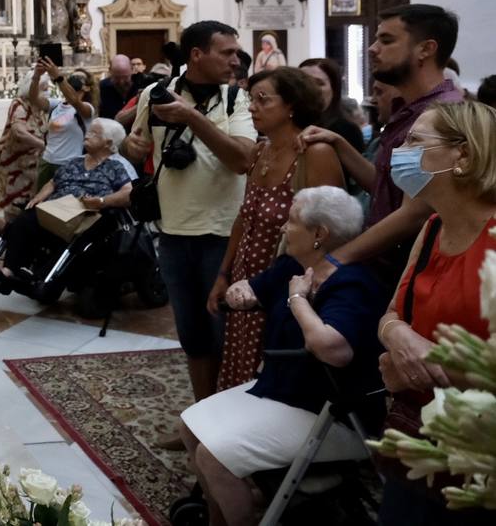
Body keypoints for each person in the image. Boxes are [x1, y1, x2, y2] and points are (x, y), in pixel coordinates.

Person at [180, 187, 388, 526]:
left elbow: (333, 350)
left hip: (334, 412)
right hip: (284, 391)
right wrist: (240, 291)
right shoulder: (294, 264)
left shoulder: (353, 282)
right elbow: (251, 290)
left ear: (319, 233)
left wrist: (298, 300)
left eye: (291, 221)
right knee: (190, 426)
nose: (282, 227)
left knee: (213, 456)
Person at [124, 21, 256, 439]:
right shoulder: (155, 94)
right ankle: (203, 426)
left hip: (223, 234)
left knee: (226, 336)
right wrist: (132, 147)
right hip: (173, 231)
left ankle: (231, 430)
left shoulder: (237, 98)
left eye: (236, 53)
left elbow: (243, 160)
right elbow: (135, 143)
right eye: (226, 52)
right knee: (194, 337)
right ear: (197, 54)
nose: (235, 60)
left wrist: (191, 118)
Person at [373, 101, 496, 525]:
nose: (398, 153)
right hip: (420, 437)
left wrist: (425, 366)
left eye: (414, 141)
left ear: (463, 155)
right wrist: (398, 337)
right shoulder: (432, 228)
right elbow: (393, 311)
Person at [300, 5, 464, 286]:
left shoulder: (441, 114)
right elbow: (388, 187)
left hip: (418, 272)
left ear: (426, 49)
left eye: (386, 40)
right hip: (388, 268)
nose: (372, 49)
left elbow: (415, 212)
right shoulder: (408, 109)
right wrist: (338, 143)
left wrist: (337, 258)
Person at [210, 67, 344, 390]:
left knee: (274, 374)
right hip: (247, 279)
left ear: (291, 105)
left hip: (287, 282)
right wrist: (224, 273)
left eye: (263, 99)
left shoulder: (314, 154)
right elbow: (244, 218)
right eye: (251, 99)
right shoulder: (260, 152)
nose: (252, 107)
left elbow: (334, 230)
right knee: (241, 368)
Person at [0, 119, 133, 290]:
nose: (87, 135)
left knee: (79, 237)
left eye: (94, 133)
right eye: (89, 131)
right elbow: (53, 182)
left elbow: (128, 194)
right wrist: (40, 196)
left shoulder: (117, 166)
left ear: (108, 143)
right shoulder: (75, 161)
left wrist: (102, 201)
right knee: (25, 219)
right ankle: (8, 272)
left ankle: (40, 279)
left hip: (87, 215)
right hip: (57, 209)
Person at [29, 58, 95, 189]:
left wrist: (58, 77)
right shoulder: (56, 105)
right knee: (41, 199)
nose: (75, 79)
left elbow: (74, 101)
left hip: (70, 164)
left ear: (87, 87)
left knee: (65, 200)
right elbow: (34, 99)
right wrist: (36, 76)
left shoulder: (87, 108)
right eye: (73, 76)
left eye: (80, 78)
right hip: (47, 161)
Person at [0, 72, 49, 220]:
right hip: (15, 164)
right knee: (14, 205)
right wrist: (43, 145)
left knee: (30, 205)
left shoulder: (40, 107)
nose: (47, 91)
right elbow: (19, 132)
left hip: (33, 165)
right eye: (44, 88)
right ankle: (10, 231)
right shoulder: (19, 104)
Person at [299, 57, 364, 154]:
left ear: (334, 89)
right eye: (303, 82)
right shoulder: (288, 124)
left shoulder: (347, 130)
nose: (310, 88)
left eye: (318, 83)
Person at [99, 53, 139, 119]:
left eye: (125, 77)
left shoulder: (140, 85)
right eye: (116, 78)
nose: (121, 82)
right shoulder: (101, 88)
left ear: (132, 70)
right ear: (110, 71)